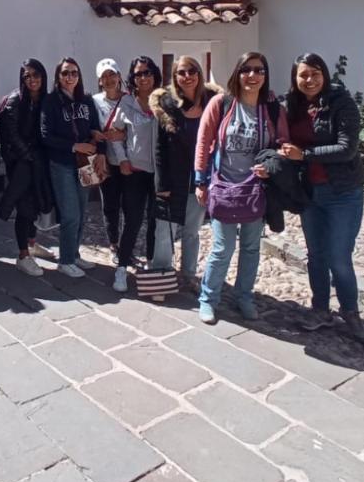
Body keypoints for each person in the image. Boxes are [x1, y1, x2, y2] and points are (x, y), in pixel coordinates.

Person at [279, 52, 364, 344]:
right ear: (295, 78)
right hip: (310, 193)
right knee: (315, 255)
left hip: (342, 192)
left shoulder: (341, 103)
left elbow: (347, 149)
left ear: (325, 75)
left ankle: (351, 313)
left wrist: (304, 155)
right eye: (303, 75)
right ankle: (320, 309)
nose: (309, 80)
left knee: (339, 257)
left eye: (315, 74)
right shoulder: (291, 105)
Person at [192, 52, 287, 325]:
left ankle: (244, 297)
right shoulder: (220, 104)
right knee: (222, 248)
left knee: (250, 247)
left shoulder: (272, 109)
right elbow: (203, 142)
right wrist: (200, 181)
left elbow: (283, 143)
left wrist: (272, 163)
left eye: (259, 70)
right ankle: (208, 299)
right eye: (246, 70)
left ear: (265, 75)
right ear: (237, 73)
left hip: (256, 190)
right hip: (224, 187)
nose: (252, 76)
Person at [151, 55, 219, 291]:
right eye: (181, 72)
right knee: (165, 229)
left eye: (192, 71)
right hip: (174, 180)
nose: (187, 76)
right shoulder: (167, 106)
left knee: (192, 231)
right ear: (175, 77)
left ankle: (188, 274)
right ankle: (161, 274)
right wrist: (162, 184)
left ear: (199, 74)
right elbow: (159, 148)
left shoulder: (214, 103)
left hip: (202, 181)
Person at [40, 58, 106, 278]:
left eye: (74, 73)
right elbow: (45, 135)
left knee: (81, 211)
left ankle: (74, 254)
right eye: (66, 73)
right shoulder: (50, 101)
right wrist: (74, 145)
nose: (70, 77)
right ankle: (65, 260)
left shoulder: (85, 100)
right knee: (70, 214)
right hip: (62, 164)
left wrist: (98, 144)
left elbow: (95, 127)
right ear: (58, 76)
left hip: (85, 162)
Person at [0, 59, 53, 276]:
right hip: (21, 161)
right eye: (27, 76)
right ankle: (23, 255)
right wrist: (27, 155)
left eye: (36, 75)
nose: (32, 80)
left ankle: (31, 242)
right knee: (24, 206)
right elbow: (11, 133)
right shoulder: (15, 100)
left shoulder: (46, 100)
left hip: (39, 159)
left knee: (37, 202)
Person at [109, 55, 161, 293]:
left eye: (147, 72)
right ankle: (121, 267)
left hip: (159, 173)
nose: (143, 78)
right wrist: (123, 160)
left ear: (155, 75)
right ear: (133, 78)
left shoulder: (164, 101)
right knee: (133, 220)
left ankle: (151, 265)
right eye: (138, 74)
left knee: (155, 221)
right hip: (135, 172)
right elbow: (116, 135)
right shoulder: (127, 103)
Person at [90, 59, 128, 264]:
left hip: (129, 162)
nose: (109, 79)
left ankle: (127, 243)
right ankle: (114, 244)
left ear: (119, 76)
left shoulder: (130, 101)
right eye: (104, 76)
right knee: (110, 206)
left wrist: (124, 135)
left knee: (130, 207)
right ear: (99, 81)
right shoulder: (94, 101)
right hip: (106, 162)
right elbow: (89, 126)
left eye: (112, 74)